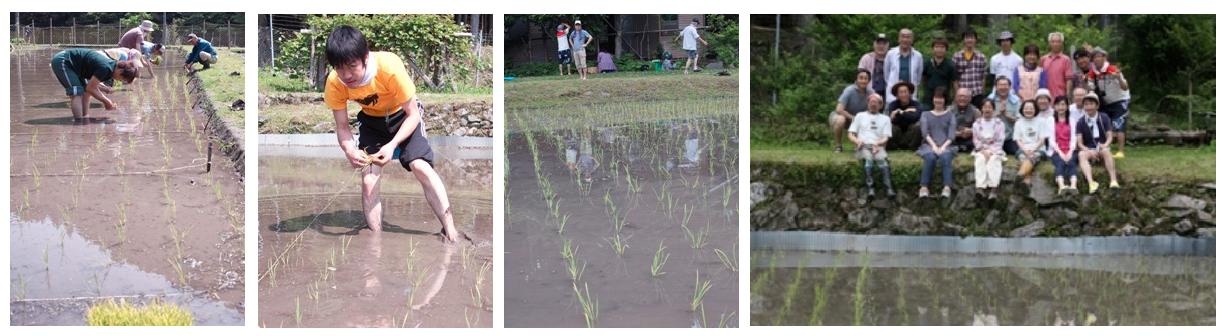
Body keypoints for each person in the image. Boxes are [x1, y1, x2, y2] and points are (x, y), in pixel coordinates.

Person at [321, 26, 459, 242]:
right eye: (339, 68)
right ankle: (375, 243)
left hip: (403, 117)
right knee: (368, 182)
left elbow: (413, 114)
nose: (346, 75)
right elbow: (342, 127)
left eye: (352, 66)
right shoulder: (334, 82)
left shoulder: (389, 67)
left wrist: (393, 144)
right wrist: (349, 149)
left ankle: (450, 230)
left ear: (365, 57)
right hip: (371, 123)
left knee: (420, 167)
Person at [49, 48, 140, 122]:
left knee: (86, 93)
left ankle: (84, 117)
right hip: (64, 61)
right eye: (123, 78)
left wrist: (104, 89)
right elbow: (91, 88)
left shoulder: (110, 68)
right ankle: (79, 122)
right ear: (120, 71)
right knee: (76, 93)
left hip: (78, 67)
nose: (120, 80)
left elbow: (90, 87)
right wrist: (107, 102)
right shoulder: (106, 68)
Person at [848, 93, 895, 198]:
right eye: (871, 102)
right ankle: (871, 188)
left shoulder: (886, 119)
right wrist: (857, 141)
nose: (873, 104)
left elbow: (886, 137)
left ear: (880, 105)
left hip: (877, 146)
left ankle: (889, 188)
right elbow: (851, 134)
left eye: (876, 102)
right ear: (868, 103)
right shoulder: (859, 116)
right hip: (863, 145)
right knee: (868, 159)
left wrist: (878, 144)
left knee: (882, 161)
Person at [1088, 48, 1131, 159]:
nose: (1097, 59)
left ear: (1104, 57)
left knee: (1119, 124)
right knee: (1105, 124)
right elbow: (1091, 87)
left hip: (1120, 100)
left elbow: (1125, 87)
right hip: (1106, 102)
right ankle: (1105, 148)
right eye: (1094, 57)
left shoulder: (1112, 69)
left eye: (1099, 56)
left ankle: (1121, 151)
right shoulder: (1093, 73)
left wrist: (1118, 78)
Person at [1076, 93, 1120, 194]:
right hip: (1089, 149)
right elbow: (1080, 142)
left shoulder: (1104, 117)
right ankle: (1091, 183)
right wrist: (1087, 149)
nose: (1089, 107)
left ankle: (1113, 180)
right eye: (1086, 104)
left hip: (1102, 147)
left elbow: (1110, 136)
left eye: (1091, 104)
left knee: (1105, 151)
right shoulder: (1081, 122)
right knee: (1081, 154)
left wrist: (1105, 145)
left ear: (1097, 105)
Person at [917, 88, 956, 198]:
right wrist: (934, 146)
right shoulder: (925, 114)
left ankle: (947, 187)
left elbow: (951, 135)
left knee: (946, 157)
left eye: (941, 98)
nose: (938, 101)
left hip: (947, 145)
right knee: (930, 157)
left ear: (945, 100)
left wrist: (943, 147)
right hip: (929, 144)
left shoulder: (950, 115)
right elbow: (925, 133)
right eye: (936, 98)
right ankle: (924, 187)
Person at [829, 69, 875, 153]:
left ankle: (859, 145)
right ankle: (838, 146)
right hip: (842, 116)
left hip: (857, 118)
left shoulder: (871, 92)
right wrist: (852, 117)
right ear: (856, 80)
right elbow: (839, 109)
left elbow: (873, 109)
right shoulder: (849, 90)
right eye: (861, 78)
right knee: (840, 120)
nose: (863, 80)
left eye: (866, 78)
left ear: (869, 81)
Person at [972, 100, 1006, 199]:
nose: (987, 109)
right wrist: (983, 150)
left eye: (990, 107)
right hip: (981, 150)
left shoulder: (999, 123)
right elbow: (975, 139)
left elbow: (1000, 140)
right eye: (985, 107)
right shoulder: (976, 124)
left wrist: (991, 152)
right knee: (980, 160)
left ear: (993, 109)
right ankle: (980, 188)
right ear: (981, 109)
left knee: (994, 161)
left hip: (995, 150)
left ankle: (994, 189)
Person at [1013, 100, 1050, 186]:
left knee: (1033, 156)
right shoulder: (1018, 123)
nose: (1028, 110)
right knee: (1023, 156)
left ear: (1035, 110)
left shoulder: (1041, 121)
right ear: (1022, 109)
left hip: (1038, 149)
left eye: (1031, 108)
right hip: (1023, 149)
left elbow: (1042, 139)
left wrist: (1033, 149)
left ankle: (1021, 173)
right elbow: (1018, 140)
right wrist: (1025, 150)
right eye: (1026, 108)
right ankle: (1026, 179)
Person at [884, 28, 923, 104]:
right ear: (899, 39)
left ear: (912, 40)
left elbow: (918, 78)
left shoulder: (918, 56)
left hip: (911, 96)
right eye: (903, 36)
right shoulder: (890, 54)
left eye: (908, 37)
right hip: (893, 96)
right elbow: (886, 76)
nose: (905, 39)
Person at [1050, 96, 1079, 194]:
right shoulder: (1051, 120)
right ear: (1054, 106)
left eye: (1063, 104)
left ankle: (1073, 186)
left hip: (1070, 149)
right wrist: (1060, 153)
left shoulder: (1072, 120)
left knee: (1071, 162)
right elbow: (1051, 140)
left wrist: (1070, 151)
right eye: (1058, 105)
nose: (1060, 107)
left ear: (1067, 106)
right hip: (1056, 150)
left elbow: (1074, 138)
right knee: (1060, 162)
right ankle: (1061, 186)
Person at [987, 77, 1022, 154]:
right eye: (1000, 85)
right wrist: (998, 113)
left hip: (1010, 137)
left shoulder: (1016, 101)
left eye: (1005, 85)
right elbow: (984, 120)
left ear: (1010, 87)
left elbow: (1020, 121)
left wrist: (1007, 115)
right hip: (992, 137)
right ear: (996, 87)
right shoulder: (989, 99)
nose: (1003, 87)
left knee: (1016, 151)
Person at [922, 37, 958, 108]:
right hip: (928, 99)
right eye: (937, 47)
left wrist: (955, 99)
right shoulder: (927, 63)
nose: (939, 50)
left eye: (942, 47)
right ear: (933, 49)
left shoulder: (950, 65)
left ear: (946, 49)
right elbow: (923, 79)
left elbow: (955, 83)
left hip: (944, 99)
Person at [953, 30, 988, 97]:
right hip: (962, 94)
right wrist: (957, 94)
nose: (969, 40)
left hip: (977, 92)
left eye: (972, 38)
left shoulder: (981, 56)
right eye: (967, 38)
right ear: (963, 40)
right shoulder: (957, 56)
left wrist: (983, 93)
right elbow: (954, 78)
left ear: (975, 40)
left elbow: (983, 77)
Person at [1040, 32, 1075, 99]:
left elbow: (1069, 79)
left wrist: (1067, 95)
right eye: (1053, 41)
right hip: (1046, 96)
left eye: (1058, 41)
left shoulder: (1066, 59)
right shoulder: (1044, 59)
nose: (1055, 44)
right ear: (1049, 43)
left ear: (1062, 43)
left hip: (1061, 96)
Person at [949, 87, 980, 152]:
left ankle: (962, 148)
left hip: (969, 138)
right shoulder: (949, 111)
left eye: (965, 96)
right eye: (960, 96)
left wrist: (971, 131)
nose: (962, 98)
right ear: (955, 98)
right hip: (954, 138)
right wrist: (958, 133)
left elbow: (980, 128)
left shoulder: (976, 111)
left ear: (970, 98)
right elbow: (944, 129)